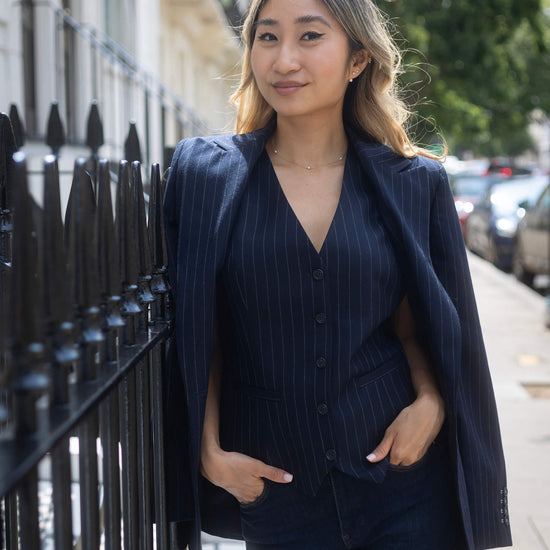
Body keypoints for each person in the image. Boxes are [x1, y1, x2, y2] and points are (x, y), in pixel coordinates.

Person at [163, 0, 512, 548]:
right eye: (268, 37)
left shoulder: (413, 183)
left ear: (358, 59)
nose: (284, 60)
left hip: (404, 482)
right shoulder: (207, 176)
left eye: (309, 37)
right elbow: (199, 331)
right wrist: (209, 452)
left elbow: (422, 327)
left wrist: (431, 403)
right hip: (276, 491)